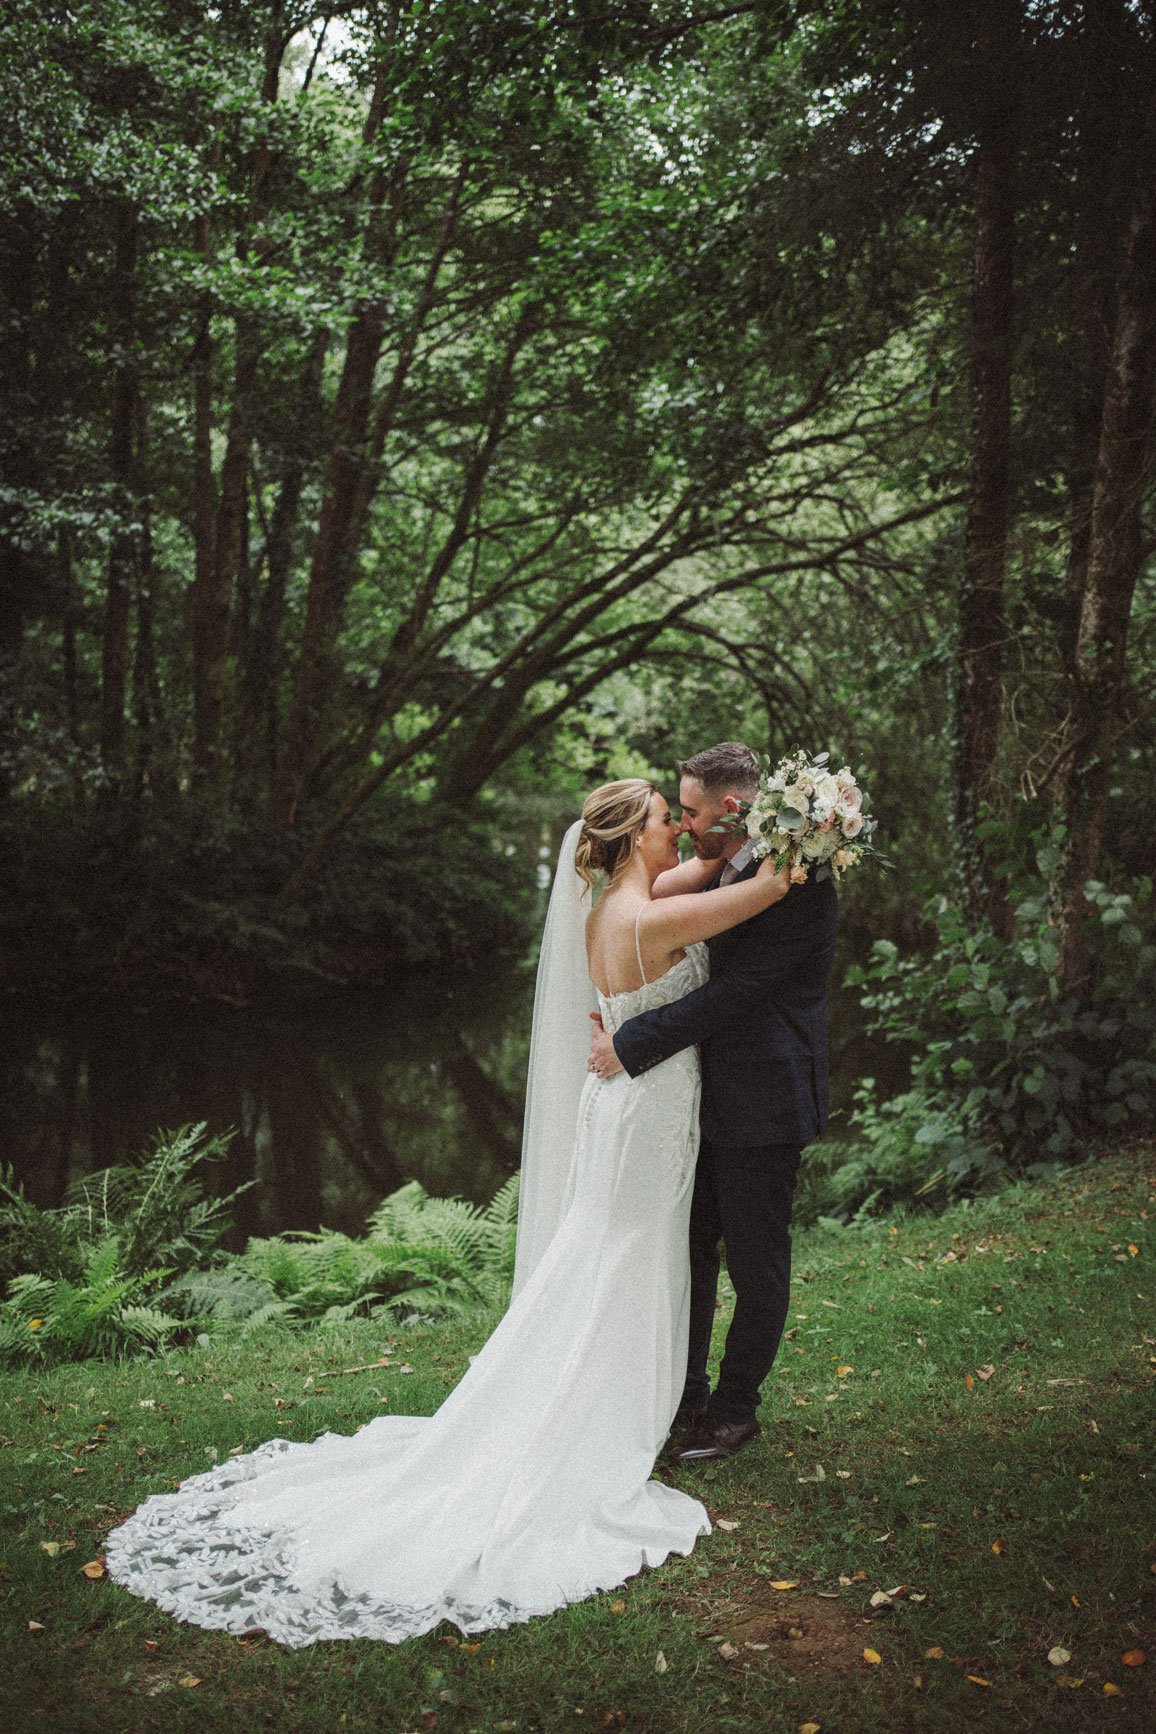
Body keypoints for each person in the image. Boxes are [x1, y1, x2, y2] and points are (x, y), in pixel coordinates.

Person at [103, 779, 789, 1647]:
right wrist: (814, 829)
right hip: (644, 1117)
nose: (677, 832)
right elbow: (759, 892)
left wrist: (730, 840)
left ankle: (624, 1403)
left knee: (616, 1251)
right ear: (630, 843)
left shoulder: (623, 902)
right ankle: (599, 1418)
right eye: (665, 819)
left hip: (630, 1109)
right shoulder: (646, 920)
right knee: (626, 1256)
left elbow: (711, 868)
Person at [587, 742, 839, 1464]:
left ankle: (735, 1412)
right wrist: (611, 1010)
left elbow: (738, 991)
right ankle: (686, 1393)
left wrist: (631, 1040)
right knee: (690, 1250)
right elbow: (643, 941)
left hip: (765, 1092)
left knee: (755, 1261)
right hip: (692, 1100)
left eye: (690, 811)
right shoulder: (725, 866)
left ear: (731, 807)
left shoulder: (801, 878)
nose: (687, 826)